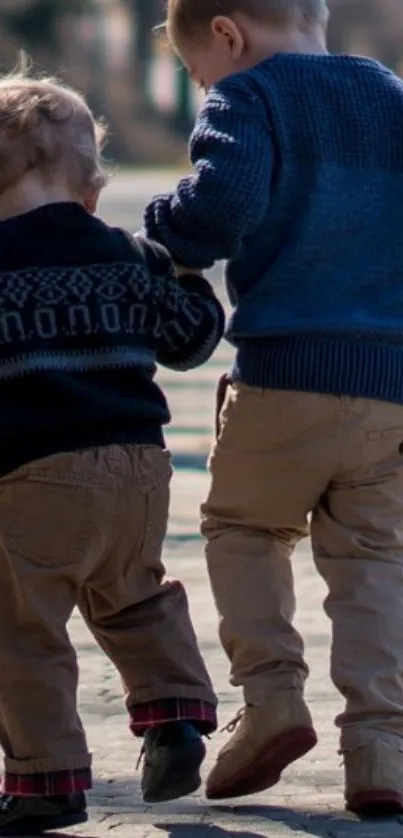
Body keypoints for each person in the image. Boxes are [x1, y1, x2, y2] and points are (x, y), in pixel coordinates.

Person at [142, 0, 403, 817]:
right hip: (389, 386)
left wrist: (161, 234)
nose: (204, 86)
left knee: (244, 530)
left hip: (284, 373)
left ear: (228, 34)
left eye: (195, 75)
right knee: (371, 561)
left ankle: (272, 702)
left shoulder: (248, 97)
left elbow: (218, 208)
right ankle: (380, 747)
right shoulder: (391, 94)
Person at [0, 67, 224, 835]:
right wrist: (185, 272)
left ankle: (47, 778)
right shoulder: (130, 254)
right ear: (89, 184)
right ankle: (177, 714)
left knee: (21, 628)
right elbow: (193, 340)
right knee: (132, 595)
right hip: (140, 469)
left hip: (34, 476)